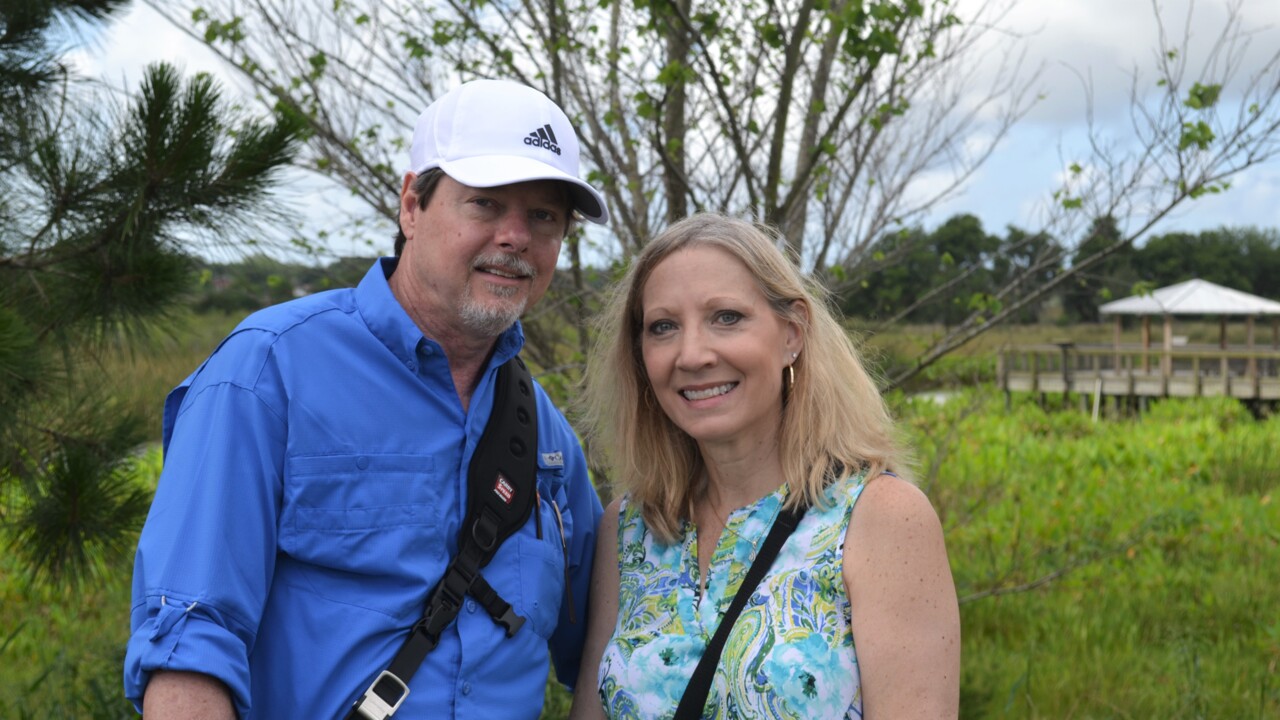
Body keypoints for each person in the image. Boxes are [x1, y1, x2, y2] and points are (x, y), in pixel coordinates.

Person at [124, 79, 608, 719]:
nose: (516, 236)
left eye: (544, 216)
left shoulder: (547, 442)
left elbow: (617, 663)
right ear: (412, 205)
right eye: (485, 204)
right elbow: (188, 645)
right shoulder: (270, 369)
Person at [570, 213, 960, 719]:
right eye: (663, 327)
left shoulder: (881, 519)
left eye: (726, 317)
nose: (691, 354)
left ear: (793, 333)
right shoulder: (629, 528)